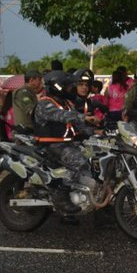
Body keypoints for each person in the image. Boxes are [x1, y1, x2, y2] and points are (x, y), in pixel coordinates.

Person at [32, 70, 98, 214]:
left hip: (67, 143)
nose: (71, 89)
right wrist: (83, 117)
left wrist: (98, 131)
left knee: (94, 157)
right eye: (68, 86)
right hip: (51, 145)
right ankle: (60, 194)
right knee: (78, 161)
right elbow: (62, 116)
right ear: (58, 86)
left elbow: (78, 125)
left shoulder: (67, 103)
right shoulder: (45, 104)